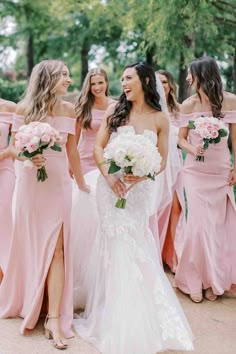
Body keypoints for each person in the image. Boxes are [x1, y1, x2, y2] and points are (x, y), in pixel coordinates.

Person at [73, 62, 193, 354]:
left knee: (137, 246)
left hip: (140, 192)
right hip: (110, 190)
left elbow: (162, 160)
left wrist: (143, 173)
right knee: (116, 247)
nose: (123, 83)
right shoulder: (116, 111)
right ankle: (116, 315)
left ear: (144, 81)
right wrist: (108, 175)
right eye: (123, 79)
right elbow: (98, 148)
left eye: (129, 78)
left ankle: (143, 313)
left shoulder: (161, 119)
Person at [0, 59, 89, 350]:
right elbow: (12, 148)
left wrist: (83, 185)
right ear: (47, 78)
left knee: (58, 249)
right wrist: (28, 157)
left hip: (58, 185)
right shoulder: (22, 109)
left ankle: (53, 318)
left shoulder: (70, 109)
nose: (68, 78)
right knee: (32, 243)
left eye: (67, 73)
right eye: (63, 74)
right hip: (29, 185)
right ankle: (32, 301)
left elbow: (72, 150)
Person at [175, 56, 236, 303]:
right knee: (198, 226)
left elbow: (235, 139)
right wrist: (193, 150)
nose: (188, 78)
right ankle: (193, 279)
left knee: (217, 227)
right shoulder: (187, 105)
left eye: (191, 74)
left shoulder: (231, 100)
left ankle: (215, 281)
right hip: (195, 172)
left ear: (203, 74)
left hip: (220, 170)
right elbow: (181, 139)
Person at [71, 68, 115, 310]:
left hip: (107, 165)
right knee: (86, 220)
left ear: (107, 83)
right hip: (85, 163)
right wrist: (73, 169)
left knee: (103, 219)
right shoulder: (82, 109)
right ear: (87, 86)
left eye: (100, 82)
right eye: (92, 83)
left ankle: (103, 277)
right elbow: (74, 143)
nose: (96, 87)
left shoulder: (117, 106)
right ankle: (84, 278)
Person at [157, 70, 184, 273]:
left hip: (177, 164)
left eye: (165, 81)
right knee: (158, 208)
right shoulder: (152, 110)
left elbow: (186, 139)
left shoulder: (179, 110)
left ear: (170, 85)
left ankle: (173, 255)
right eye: (158, 81)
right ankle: (155, 253)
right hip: (158, 163)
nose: (161, 85)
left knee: (176, 207)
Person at [0, 98, 16, 283]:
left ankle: (7, 271)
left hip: (5, 168)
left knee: (4, 214)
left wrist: (3, 154)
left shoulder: (10, 107)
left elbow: (16, 143)